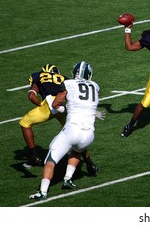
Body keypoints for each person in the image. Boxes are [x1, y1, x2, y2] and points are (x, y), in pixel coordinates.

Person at [29, 61, 100, 200]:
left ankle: (42, 192)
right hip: (89, 134)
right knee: (77, 149)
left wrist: (65, 107)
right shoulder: (96, 86)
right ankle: (68, 179)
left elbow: (55, 104)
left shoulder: (69, 84)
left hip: (72, 129)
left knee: (50, 160)